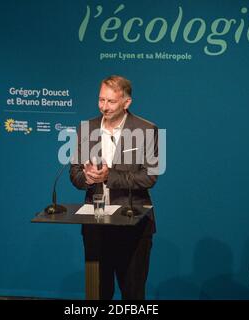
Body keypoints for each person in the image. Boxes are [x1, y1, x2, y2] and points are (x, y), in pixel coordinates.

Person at [70, 75, 159, 300]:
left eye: (111, 102)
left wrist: (110, 176)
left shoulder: (147, 129)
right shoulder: (86, 128)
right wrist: (89, 178)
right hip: (96, 224)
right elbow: (75, 174)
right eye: (101, 100)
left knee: (133, 293)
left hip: (133, 222)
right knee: (98, 292)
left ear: (126, 103)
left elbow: (149, 177)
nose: (104, 107)